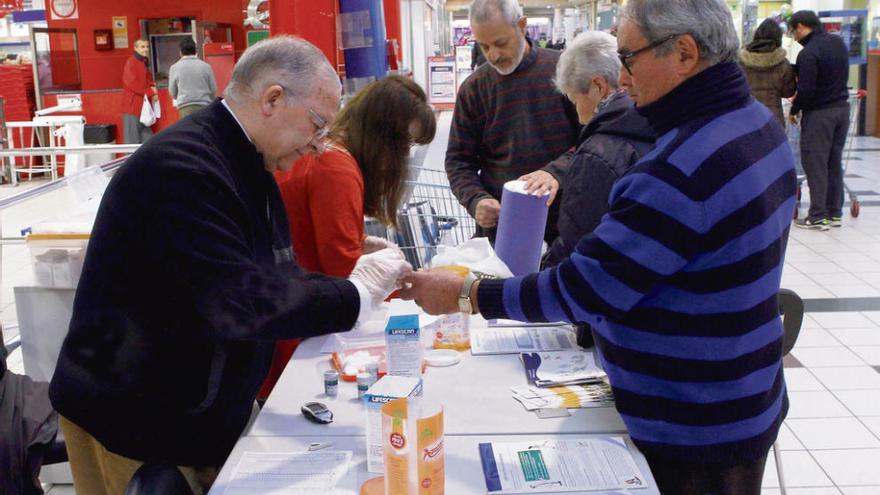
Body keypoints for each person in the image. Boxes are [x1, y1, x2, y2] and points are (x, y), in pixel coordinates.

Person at [402, 0, 796, 493]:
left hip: (694, 420)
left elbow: (586, 288)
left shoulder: (681, 169)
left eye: (628, 58)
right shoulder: (756, 123)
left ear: (685, 53)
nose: (623, 80)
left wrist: (468, 294)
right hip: (744, 391)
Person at [49, 36, 411, 495]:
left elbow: (274, 273)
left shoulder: (248, 164)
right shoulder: (187, 169)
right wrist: (355, 292)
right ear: (273, 99)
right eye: (317, 125)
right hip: (134, 420)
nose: (320, 146)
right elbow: (243, 301)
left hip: (194, 416)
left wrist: (352, 269)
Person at [257, 75, 436, 399]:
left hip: (285, 311)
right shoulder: (336, 167)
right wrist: (401, 286)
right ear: (384, 137)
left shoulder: (329, 154)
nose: (403, 157)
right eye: (404, 144)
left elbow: (315, 236)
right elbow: (343, 269)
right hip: (297, 330)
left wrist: (362, 244)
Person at [446, 0, 581, 244]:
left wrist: (555, 172)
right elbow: (458, 161)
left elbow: (593, 139)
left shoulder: (564, 71)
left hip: (564, 222)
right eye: (484, 47)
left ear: (522, 26)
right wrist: (476, 200)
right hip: (504, 227)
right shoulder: (474, 90)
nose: (494, 56)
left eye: (500, 43)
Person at [788, 10, 851, 230]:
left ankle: (817, 216)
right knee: (834, 161)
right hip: (842, 110)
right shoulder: (838, 43)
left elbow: (806, 89)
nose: (793, 36)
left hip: (820, 115)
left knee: (815, 163)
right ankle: (834, 213)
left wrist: (794, 110)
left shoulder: (808, 53)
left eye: (793, 30)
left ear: (801, 26)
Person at [739, 18, 796, 127]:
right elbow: (789, 92)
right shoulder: (783, 63)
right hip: (773, 119)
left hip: (746, 117)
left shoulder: (741, 61)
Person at [168, 37, 217, 119]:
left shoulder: (174, 68)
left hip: (185, 107)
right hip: (204, 106)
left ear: (180, 52)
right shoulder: (206, 66)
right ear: (195, 51)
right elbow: (213, 89)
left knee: (188, 131)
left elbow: (172, 92)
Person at [121, 38, 158, 144]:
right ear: (135, 48)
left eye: (146, 46)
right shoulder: (132, 62)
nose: (146, 49)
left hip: (141, 107)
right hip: (133, 107)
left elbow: (147, 81)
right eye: (142, 47)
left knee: (143, 139)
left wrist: (152, 88)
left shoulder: (143, 62)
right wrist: (152, 91)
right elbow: (132, 83)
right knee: (133, 141)